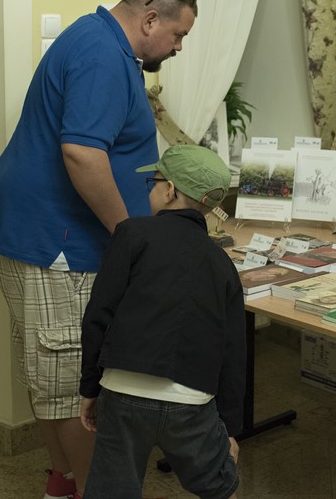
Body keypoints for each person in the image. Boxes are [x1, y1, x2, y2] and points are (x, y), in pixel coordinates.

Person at [0, 0, 197, 499]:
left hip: (36, 234)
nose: (178, 48)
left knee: (48, 374)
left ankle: (63, 480)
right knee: (70, 384)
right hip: (57, 245)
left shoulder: (96, 38)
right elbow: (81, 153)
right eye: (178, 36)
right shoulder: (103, 54)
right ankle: (91, 490)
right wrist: (129, 236)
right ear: (150, 19)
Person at [79, 144, 244, 499]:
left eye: (152, 182)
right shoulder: (222, 263)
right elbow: (233, 351)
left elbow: (98, 316)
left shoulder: (131, 234)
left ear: (169, 190)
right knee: (220, 486)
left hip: (123, 391)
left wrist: (90, 388)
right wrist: (230, 428)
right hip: (191, 400)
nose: (150, 191)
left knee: (111, 491)